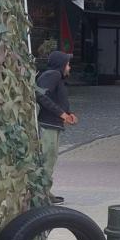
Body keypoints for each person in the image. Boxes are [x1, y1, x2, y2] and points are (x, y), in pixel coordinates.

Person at [35, 50, 77, 204]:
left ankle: (45, 191)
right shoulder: (53, 75)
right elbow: (40, 95)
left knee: (51, 158)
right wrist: (62, 114)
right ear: (61, 64)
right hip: (48, 124)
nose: (69, 67)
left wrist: (68, 113)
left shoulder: (56, 77)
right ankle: (42, 195)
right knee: (48, 158)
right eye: (68, 64)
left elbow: (57, 98)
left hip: (52, 124)